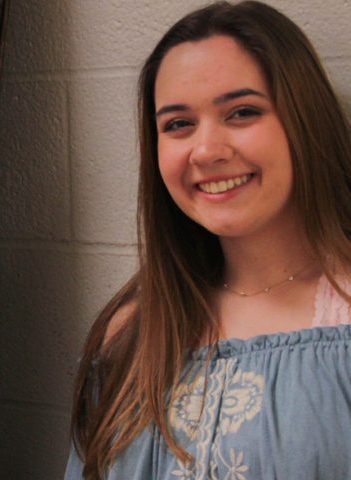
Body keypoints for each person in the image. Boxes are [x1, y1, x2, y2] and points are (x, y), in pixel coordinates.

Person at [64, 1, 351, 479]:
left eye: (241, 112)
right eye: (178, 124)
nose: (207, 150)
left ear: (305, 120)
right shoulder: (131, 334)